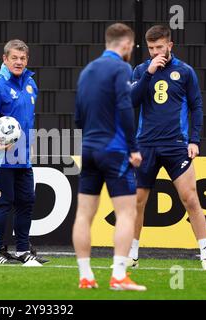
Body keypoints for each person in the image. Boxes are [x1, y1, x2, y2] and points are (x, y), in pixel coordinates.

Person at [129, 25, 206, 270]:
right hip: (145, 144)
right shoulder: (140, 70)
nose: (156, 52)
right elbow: (131, 101)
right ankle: (133, 255)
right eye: (151, 48)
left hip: (176, 145)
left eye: (160, 47)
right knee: (138, 201)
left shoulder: (185, 72)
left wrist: (194, 140)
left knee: (190, 198)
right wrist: (148, 73)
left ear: (170, 45)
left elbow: (196, 107)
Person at [73, 23, 146, 291]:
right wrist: (133, 147)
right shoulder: (121, 68)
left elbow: (78, 117)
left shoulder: (86, 71)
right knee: (127, 212)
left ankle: (85, 276)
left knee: (84, 215)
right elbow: (126, 108)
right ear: (126, 45)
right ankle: (118, 275)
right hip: (114, 150)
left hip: (89, 149)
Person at [0, 39, 48, 265]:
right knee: (2, 204)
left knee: (27, 201)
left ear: (27, 60)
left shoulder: (30, 83)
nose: (19, 62)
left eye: (23, 58)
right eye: (14, 58)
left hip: (23, 157)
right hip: (0, 157)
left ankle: (21, 250)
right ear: (5, 59)